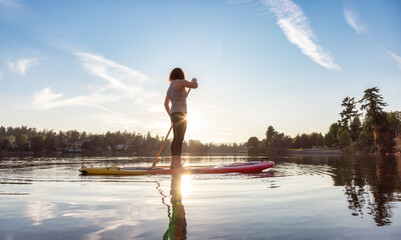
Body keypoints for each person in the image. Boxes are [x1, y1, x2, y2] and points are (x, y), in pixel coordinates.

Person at [164, 67, 198, 169]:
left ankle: (173, 164)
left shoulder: (170, 87)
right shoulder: (180, 82)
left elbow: (165, 104)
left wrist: (171, 116)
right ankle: (177, 164)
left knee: (176, 138)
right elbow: (194, 86)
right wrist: (194, 80)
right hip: (181, 113)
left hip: (174, 114)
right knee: (179, 139)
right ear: (181, 75)